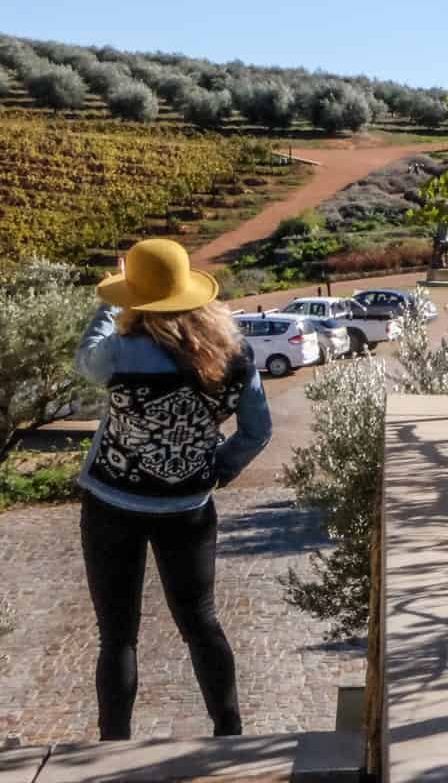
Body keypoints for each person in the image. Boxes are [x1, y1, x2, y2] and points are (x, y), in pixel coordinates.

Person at [71, 238, 274, 741]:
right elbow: (257, 431)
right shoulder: (234, 354)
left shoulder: (118, 352)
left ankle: (113, 743)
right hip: (187, 507)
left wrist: (112, 302)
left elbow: (85, 360)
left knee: (117, 636)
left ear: (136, 300)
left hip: (111, 504)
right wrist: (213, 469)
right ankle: (229, 731)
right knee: (201, 622)